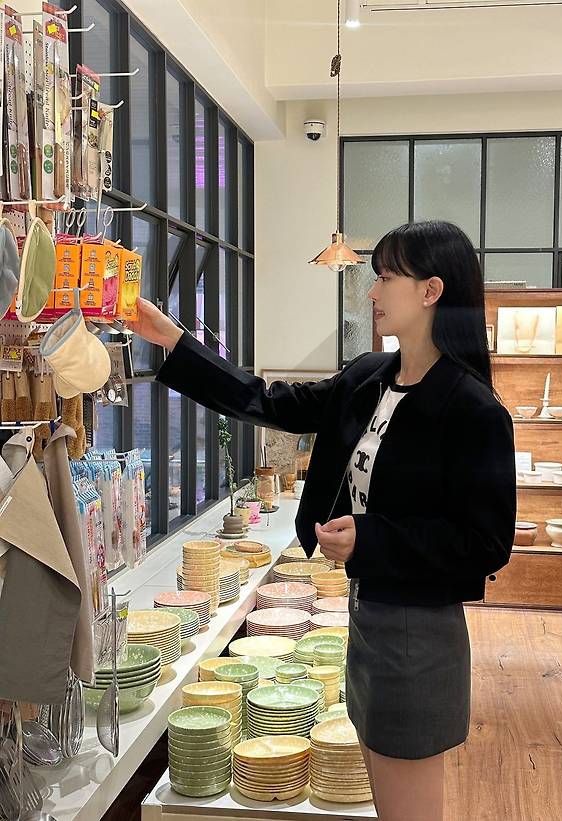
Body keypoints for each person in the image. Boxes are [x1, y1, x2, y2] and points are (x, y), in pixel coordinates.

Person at [129, 220, 516, 821]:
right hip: (369, 616)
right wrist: (173, 339)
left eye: (386, 277)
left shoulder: (472, 408)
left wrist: (373, 538)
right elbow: (268, 400)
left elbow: (485, 543)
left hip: (417, 635)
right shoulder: (371, 377)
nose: (373, 291)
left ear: (431, 291)